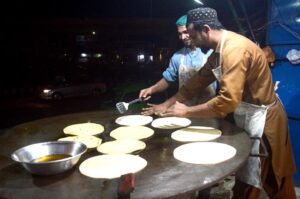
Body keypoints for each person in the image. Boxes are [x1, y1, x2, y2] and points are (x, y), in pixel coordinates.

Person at [142, 7, 296, 199]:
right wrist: (166, 104)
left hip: (264, 119)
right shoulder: (218, 52)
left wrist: (186, 112)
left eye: (192, 35)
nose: (190, 40)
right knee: (252, 176)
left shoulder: (234, 50)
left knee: (270, 176)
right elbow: (196, 83)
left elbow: (227, 102)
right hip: (247, 114)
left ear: (206, 29)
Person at [139, 15, 215, 105]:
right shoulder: (177, 57)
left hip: (209, 109)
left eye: (185, 32)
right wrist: (151, 89)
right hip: (184, 108)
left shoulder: (211, 52)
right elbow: (167, 79)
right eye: (180, 34)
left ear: (194, 30)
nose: (182, 37)